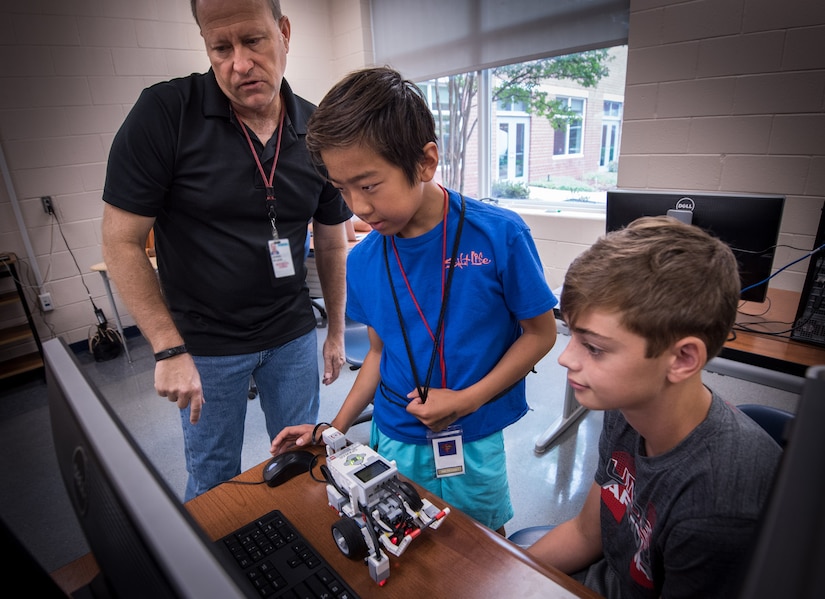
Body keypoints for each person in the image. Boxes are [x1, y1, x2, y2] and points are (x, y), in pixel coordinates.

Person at [269, 67, 558, 534]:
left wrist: (466, 400)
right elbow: (380, 354)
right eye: (341, 189)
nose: (356, 206)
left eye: (367, 185)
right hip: (395, 435)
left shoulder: (499, 235)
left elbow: (541, 334)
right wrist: (336, 428)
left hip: (472, 436)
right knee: (404, 542)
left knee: (480, 548)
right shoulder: (363, 262)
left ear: (424, 162)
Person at [100, 0, 352, 500]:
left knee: (300, 459)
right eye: (221, 47)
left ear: (283, 33)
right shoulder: (166, 114)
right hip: (205, 344)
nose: (239, 64)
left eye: (253, 41)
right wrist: (168, 349)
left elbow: (331, 239)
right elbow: (120, 241)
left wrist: (337, 332)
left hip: (292, 334)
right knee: (214, 478)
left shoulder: (318, 129)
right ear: (206, 47)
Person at [527, 216, 783, 598]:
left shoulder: (717, 505)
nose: (566, 358)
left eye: (593, 347)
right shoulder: (627, 408)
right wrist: (500, 572)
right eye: (573, 337)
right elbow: (586, 533)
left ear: (681, 359)